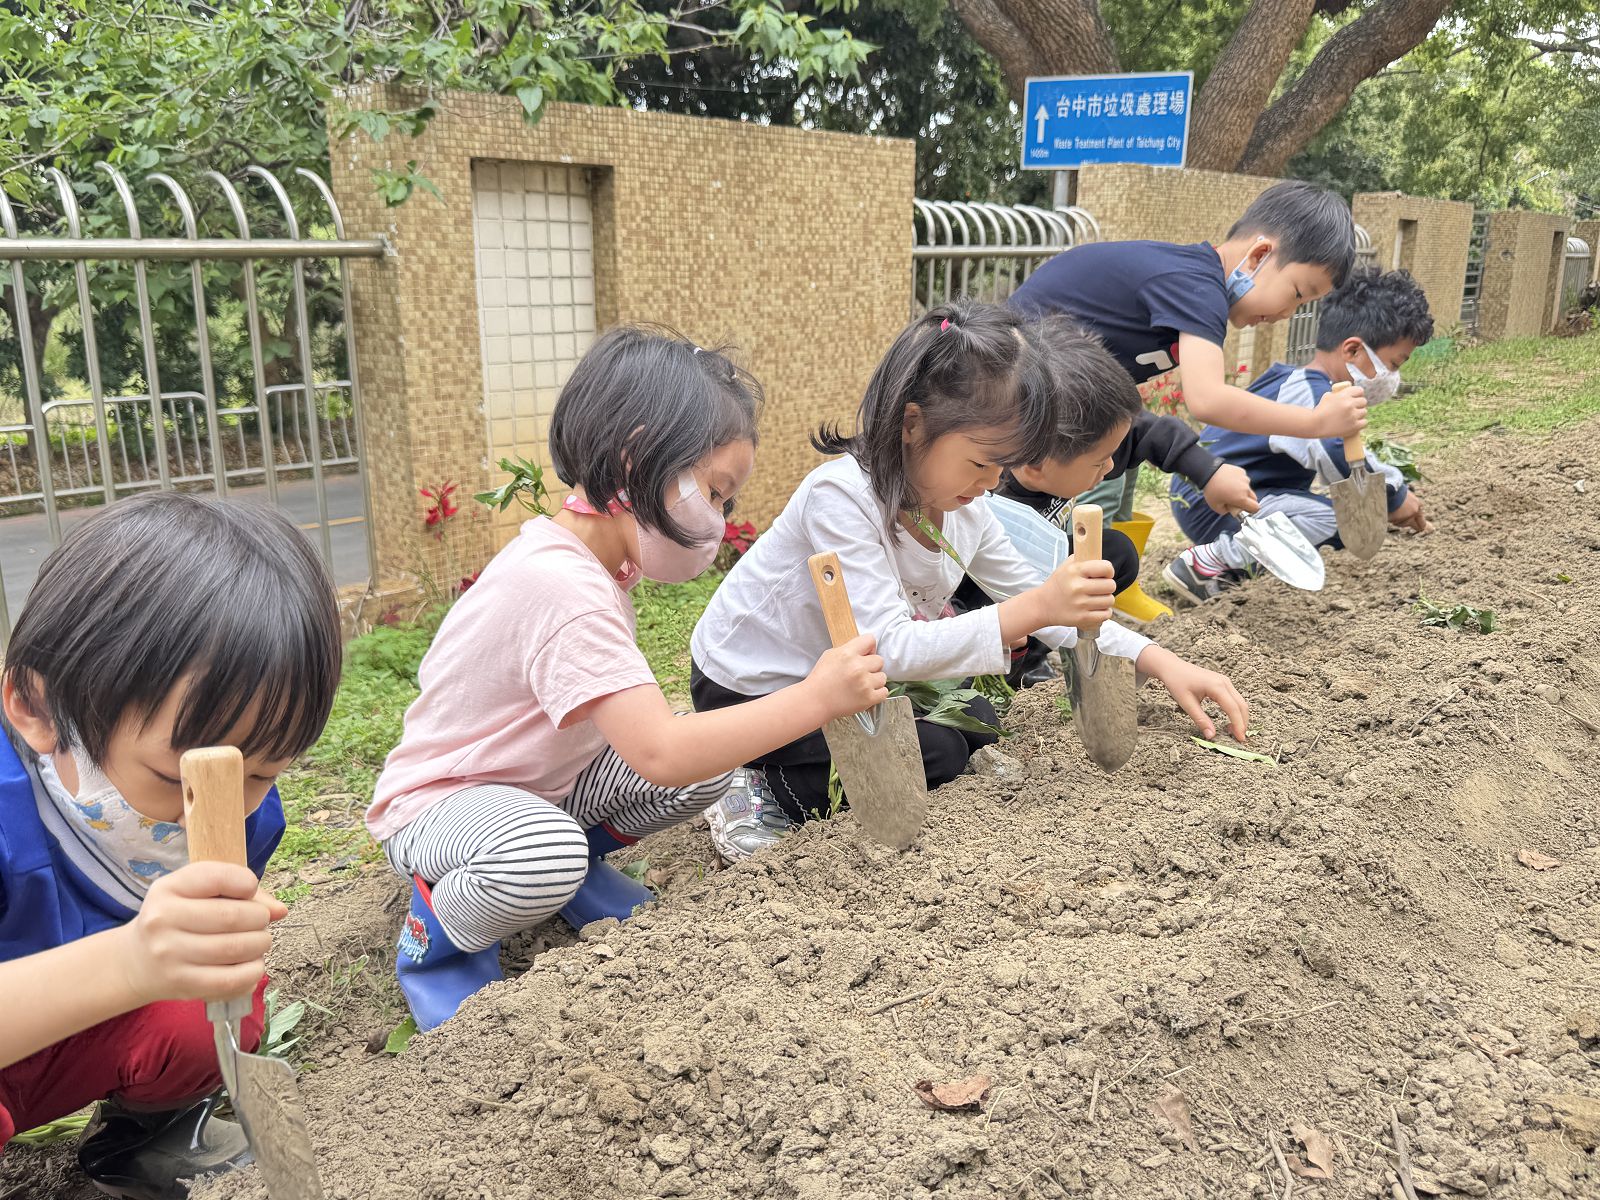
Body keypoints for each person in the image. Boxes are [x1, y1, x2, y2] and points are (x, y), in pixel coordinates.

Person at [367, 326, 887, 1031]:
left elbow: (670, 755)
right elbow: (659, 751)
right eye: (715, 492)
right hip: (441, 805)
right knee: (574, 831)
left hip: (538, 790)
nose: (719, 521)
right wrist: (817, 698)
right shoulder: (563, 589)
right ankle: (439, 936)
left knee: (708, 766)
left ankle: (557, 871)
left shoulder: (597, 567)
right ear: (635, 458)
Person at [691, 303, 1249, 862]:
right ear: (912, 424)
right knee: (940, 754)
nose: (992, 482)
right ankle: (749, 781)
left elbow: (1045, 603)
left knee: (978, 722)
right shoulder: (840, 498)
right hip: (752, 687)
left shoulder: (966, 510)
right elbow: (891, 646)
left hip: (838, 680)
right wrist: (1035, 608)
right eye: (981, 463)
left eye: (1004, 465)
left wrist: (1158, 659)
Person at [0, 494, 342, 1200]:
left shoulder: (244, 815)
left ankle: (144, 1138)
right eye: (174, 777)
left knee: (214, 996)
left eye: (264, 773)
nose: (227, 805)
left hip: (69, 1048)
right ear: (35, 707)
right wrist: (130, 962)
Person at [1009, 180, 1366, 623]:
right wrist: (1316, 423)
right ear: (1259, 255)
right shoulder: (1197, 284)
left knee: (1119, 450)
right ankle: (1031, 616)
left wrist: (1207, 472)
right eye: (1297, 293)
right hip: (1019, 400)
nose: (1286, 314)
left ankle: (1098, 594)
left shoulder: (1194, 281)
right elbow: (1207, 399)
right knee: (1035, 528)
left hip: (1062, 400)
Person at [1164, 268, 1435, 602]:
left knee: (1342, 518)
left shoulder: (1304, 383)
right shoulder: (1309, 392)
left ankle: (1232, 563)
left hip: (1226, 494)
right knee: (1345, 522)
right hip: (1212, 499)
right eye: (1393, 364)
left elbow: (1350, 453)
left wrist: (1392, 486)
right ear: (1352, 351)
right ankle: (1211, 562)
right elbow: (1340, 459)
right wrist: (1392, 498)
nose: (1393, 377)